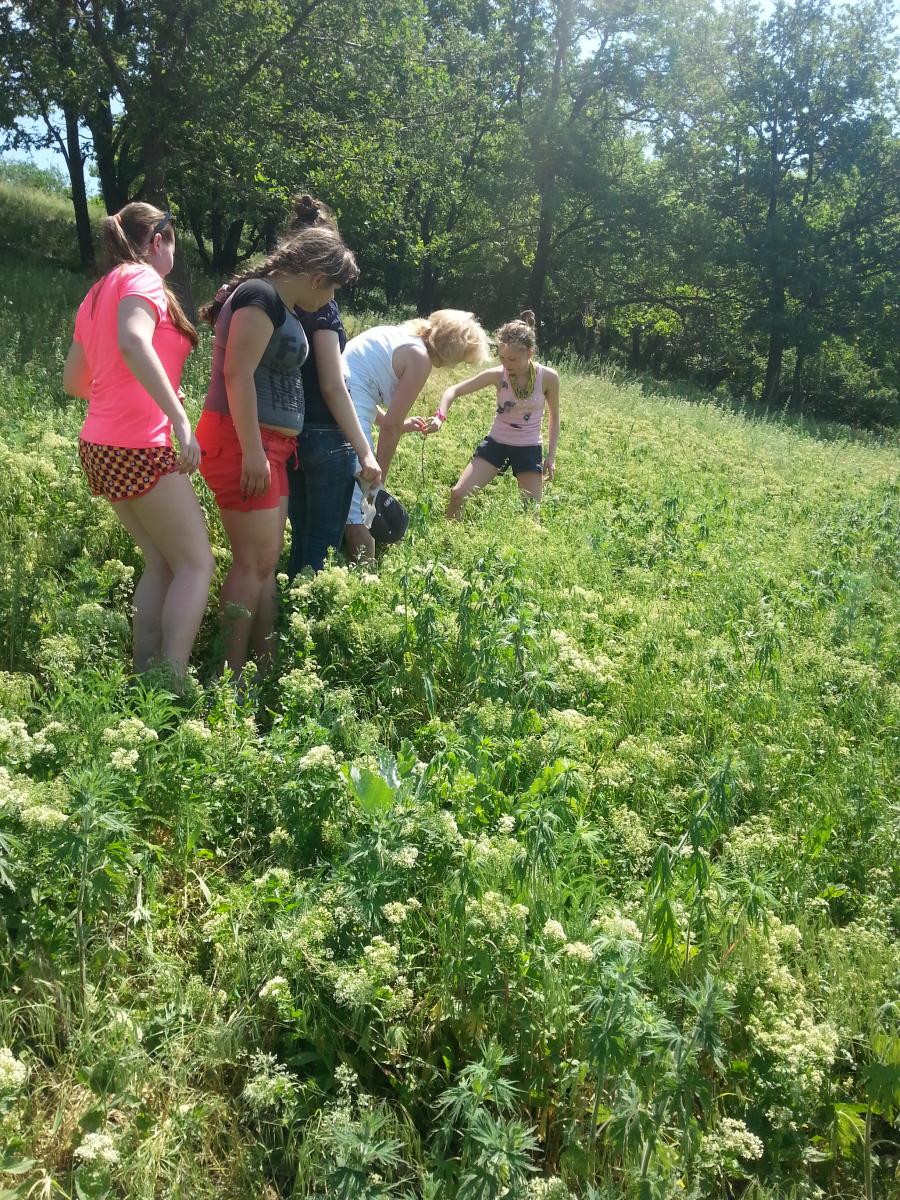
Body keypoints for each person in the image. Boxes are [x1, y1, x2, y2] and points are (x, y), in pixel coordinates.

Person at [197, 224, 358, 681]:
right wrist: (251, 451)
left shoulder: (281, 303)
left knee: (266, 560)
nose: (329, 302)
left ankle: (264, 668)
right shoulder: (260, 296)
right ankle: (224, 678)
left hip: (271, 445)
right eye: (330, 289)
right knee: (253, 561)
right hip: (242, 440)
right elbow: (237, 375)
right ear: (314, 278)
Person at [62, 203, 214, 679]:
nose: (174, 252)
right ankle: (170, 684)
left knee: (161, 562)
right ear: (157, 241)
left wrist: (151, 392)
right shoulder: (144, 278)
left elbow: (74, 380)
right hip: (138, 446)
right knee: (196, 563)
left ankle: (145, 673)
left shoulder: (96, 292)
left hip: (99, 446)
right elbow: (133, 341)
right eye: (172, 241)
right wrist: (179, 420)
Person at [283, 195, 381, 576]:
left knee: (301, 537)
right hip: (325, 435)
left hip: (291, 430)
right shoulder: (321, 303)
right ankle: (304, 624)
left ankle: (288, 613)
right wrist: (365, 451)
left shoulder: (281, 297)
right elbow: (331, 385)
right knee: (319, 547)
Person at [342, 310, 490, 560]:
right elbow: (390, 427)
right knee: (360, 506)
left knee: (347, 496)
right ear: (453, 349)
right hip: (348, 415)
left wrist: (400, 422)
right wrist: (379, 479)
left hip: (337, 402)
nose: (456, 365)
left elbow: (360, 386)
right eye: (462, 358)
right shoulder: (420, 358)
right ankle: (364, 578)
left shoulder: (397, 335)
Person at [423, 311, 559, 519]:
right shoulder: (497, 375)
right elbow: (453, 391)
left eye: (512, 359)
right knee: (458, 494)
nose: (506, 364)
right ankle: (448, 540)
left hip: (529, 447)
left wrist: (551, 457)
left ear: (530, 354)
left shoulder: (548, 378)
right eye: (502, 357)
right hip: (497, 443)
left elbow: (554, 418)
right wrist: (440, 416)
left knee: (531, 514)